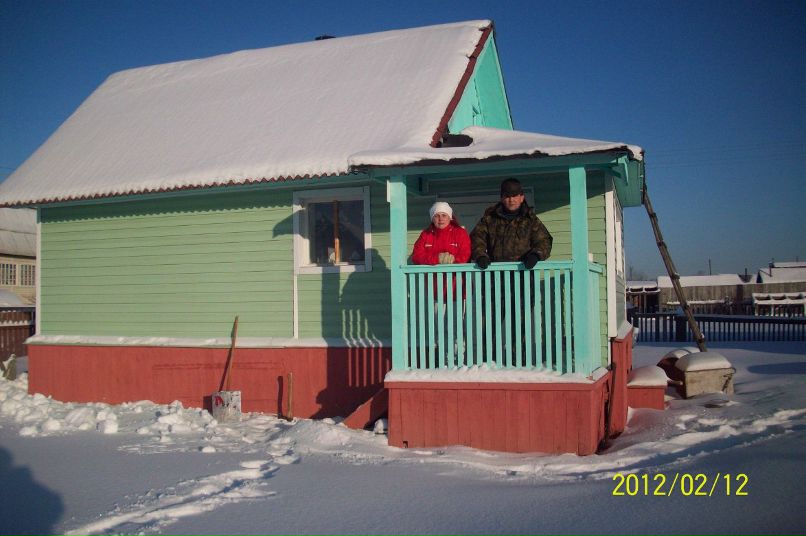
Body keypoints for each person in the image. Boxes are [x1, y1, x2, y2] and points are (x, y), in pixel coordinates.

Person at [470, 178, 552, 268]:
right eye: (507, 196)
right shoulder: (490, 219)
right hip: (496, 275)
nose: (511, 200)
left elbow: (544, 241)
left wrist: (535, 255)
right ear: (502, 198)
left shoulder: (530, 220)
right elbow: (476, 238)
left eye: (514, 196)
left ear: (521, 198)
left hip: (523, 274)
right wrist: (481, 256)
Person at [412, 201, 471, 266]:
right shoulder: (426, 234)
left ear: (450, 217)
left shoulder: (460, 233)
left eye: (444, 215)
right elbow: (416, 257)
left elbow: (466, 254)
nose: (440, 219)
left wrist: (452, 259)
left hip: (455, 275)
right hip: (431, 276)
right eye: (436, 216)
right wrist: (437, 259)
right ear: (432, 219)